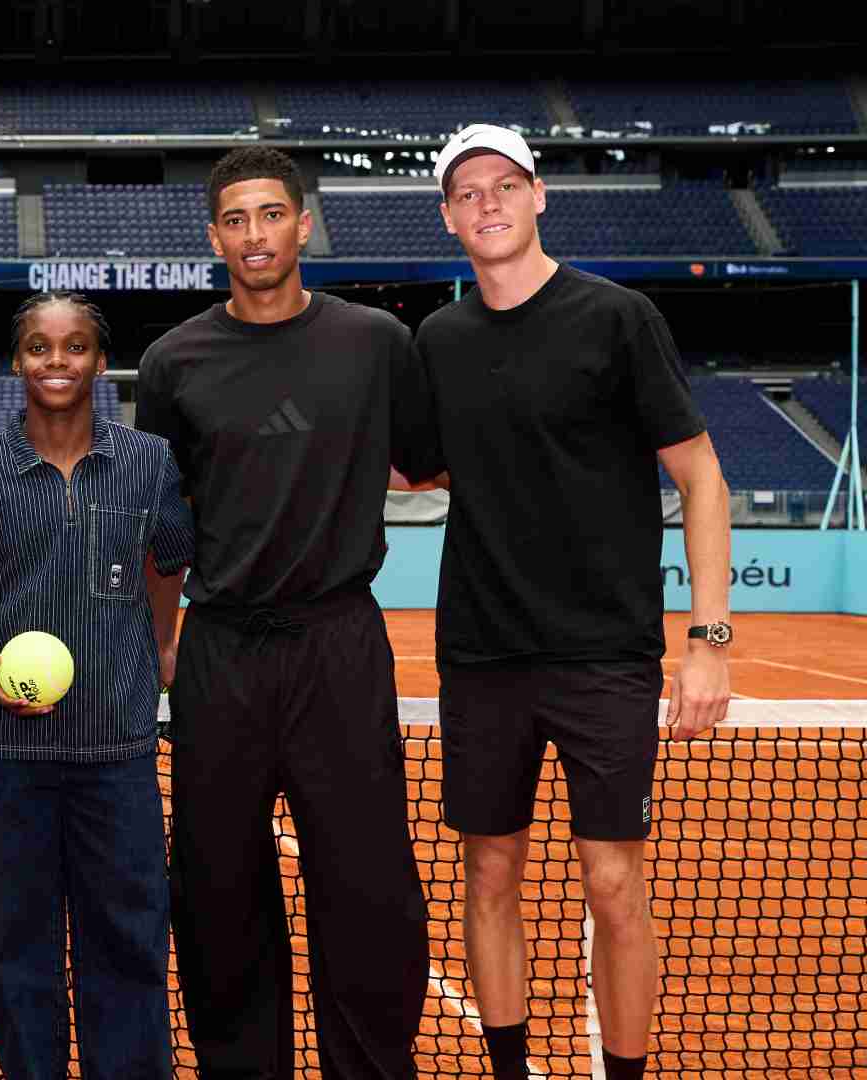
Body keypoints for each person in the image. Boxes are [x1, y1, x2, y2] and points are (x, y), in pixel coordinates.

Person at [412, 124, 733, 1080]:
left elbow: (702, 476)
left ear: (539, 195)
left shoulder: (618, 317)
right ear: (446, 217)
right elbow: (416, 464)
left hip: (606, 655)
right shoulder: (438, 339)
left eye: (504, 185)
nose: (488, 205)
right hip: (483, 654)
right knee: (489, 874)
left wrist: (709, 637)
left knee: (613, 882)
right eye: (467, 194)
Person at [135, 145, 433, 1079]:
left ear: (303, 225)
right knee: (217, 895)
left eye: (271, 214)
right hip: (222, 652)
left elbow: (432, 461)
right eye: (236, 219)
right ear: (214, 236)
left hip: (340, 645)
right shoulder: (173, 360)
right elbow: (161, 526)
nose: (255, 234)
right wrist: (166, 645)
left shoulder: (377, 341)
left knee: (369, 888)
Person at [0, 291, 193, 1079]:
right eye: (40, 348)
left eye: (75, 347)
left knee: (129, 935)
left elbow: (169, 560)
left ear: (96, 359)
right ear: (16, 362)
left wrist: (159, 653)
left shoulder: (148, 461)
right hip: (10, 750)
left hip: (117, 745)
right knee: (21, 943)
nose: (57, 362)